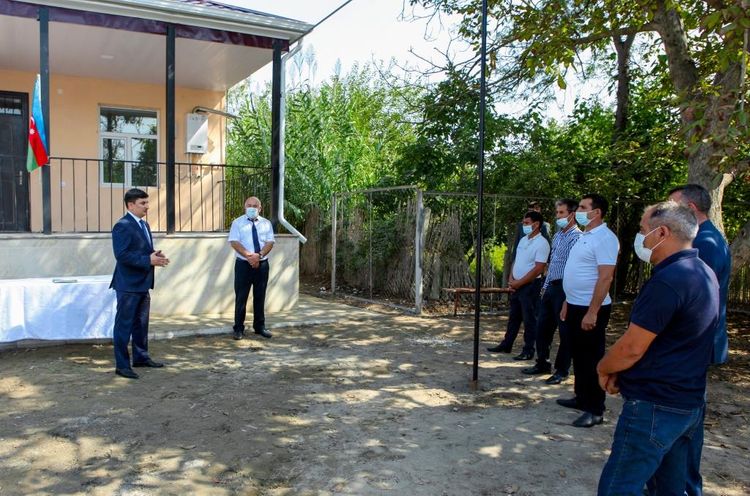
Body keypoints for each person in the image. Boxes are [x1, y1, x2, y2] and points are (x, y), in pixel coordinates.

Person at [597, 201, 719, 495]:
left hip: (655, 406)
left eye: (643, 230)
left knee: (618, 487)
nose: (640, 238)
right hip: (687, 404)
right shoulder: (703, 273)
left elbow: (632, 347)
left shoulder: (669, 280)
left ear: (662, 232)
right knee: (670, 489)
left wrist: (603, 368)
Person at [668, 184, 731, 496]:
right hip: (695, 343)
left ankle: (684, 486)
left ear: (690, 209)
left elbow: (695, 299)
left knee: (685, 420)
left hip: (693, 344)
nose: (666, 211)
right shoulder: (707, 237)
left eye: (672, 206)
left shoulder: (704, 242)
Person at [557, 193, 619, 428]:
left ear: (597, 212)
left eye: (583, 207)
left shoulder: (605, 238)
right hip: (575, 304)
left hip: (591, 307)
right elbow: (576, 271)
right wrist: (567, 300)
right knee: (578, 354)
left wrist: (593, 312)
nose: (578, 212)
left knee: (591, 357)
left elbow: (605, 277)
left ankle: (595, 409)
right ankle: (581, 397)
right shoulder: (585, 236)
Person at [110, 188, 170, 379]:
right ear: (130, 205)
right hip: (128, 285)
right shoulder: (122, 226)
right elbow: (121, 255)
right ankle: (122, 366)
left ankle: (141, 357)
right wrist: (147, 260)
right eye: (142, 203)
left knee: (141, 324)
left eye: (147, 202)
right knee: (124, 326)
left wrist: (154, 255)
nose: (147, 206)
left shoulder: (144, 224)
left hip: (143, 283)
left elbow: (141, 250)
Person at [522, 199, 582, 383]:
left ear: (572, 215)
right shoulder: (557, 236)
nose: (558, 216)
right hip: (551, 287)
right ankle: (542, 362)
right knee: (542, 328)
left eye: (561, 213)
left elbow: (575, 268)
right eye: (557, 213)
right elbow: (553, 264)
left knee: (565, 330)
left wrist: (569, 295)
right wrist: (545, 286)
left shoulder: (577, 238)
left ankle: (562, 370)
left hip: (565, 288)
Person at [488, 211, 550, 359]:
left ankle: (528, 350)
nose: (524, 225)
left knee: (529, 319)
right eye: (523, 222)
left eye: (527, 223)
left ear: (536, 224)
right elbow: (516, 260)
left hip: (530, 285)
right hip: (516, 284)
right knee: (514, 316)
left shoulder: (542, 243)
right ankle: (507, 344)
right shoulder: (523, 240)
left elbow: (538, 268)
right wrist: (511, 278)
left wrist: (519, 282)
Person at [229, 196, 275, 340]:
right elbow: (234, 242)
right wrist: (250, 256)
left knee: (260, 296)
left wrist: (258, 256)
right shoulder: (237, 223)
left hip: (262, 265)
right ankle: (238, 328)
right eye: (249, 205)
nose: (252, 208)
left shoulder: (266, 223)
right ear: (245, 207)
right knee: (241, 297)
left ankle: (259, 327)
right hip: (243, 265)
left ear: (260, 208)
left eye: (255, 206)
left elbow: (270, 242)